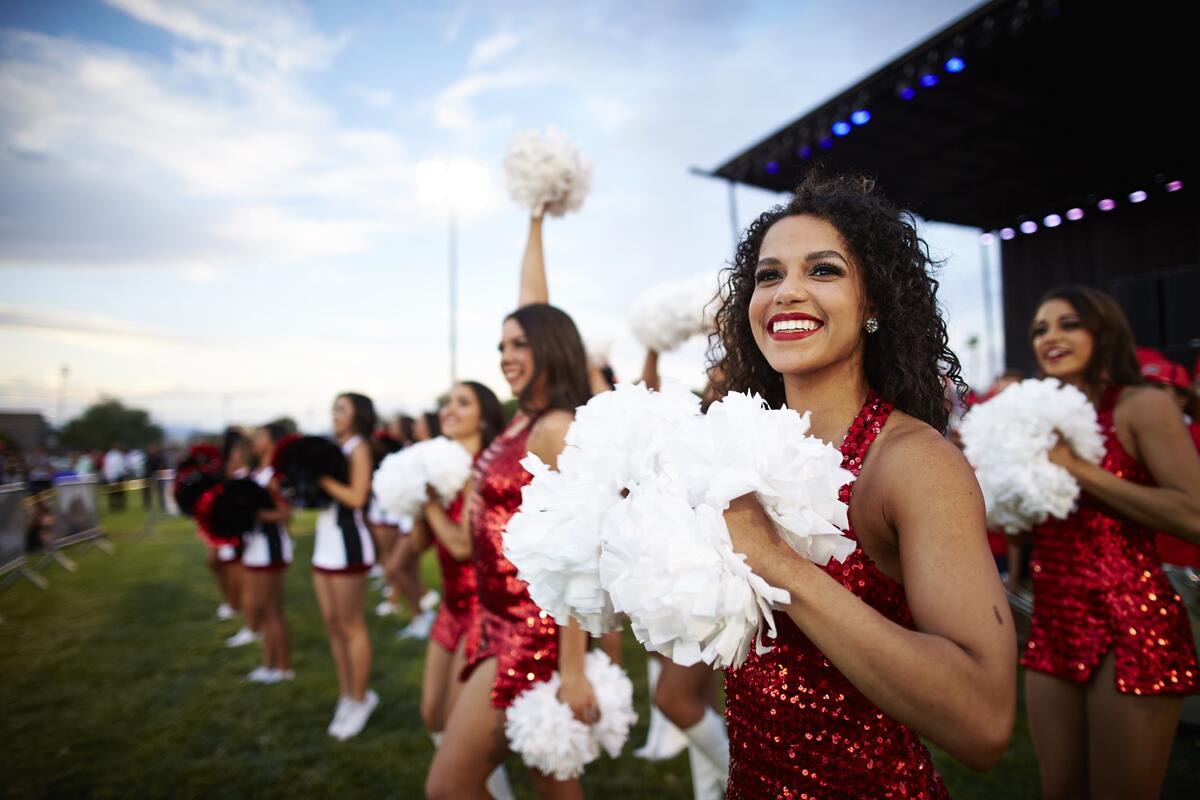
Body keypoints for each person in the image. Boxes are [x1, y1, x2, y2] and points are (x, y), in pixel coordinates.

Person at [713, 173, 1016, 798]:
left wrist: (777, 563)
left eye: (823, 270)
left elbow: (984, 722)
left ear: (874, 302)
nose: (787, 292)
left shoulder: (914, 463)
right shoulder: (735, 449)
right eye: (769, 275)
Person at [426, 212, 596, 799]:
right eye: (501, 345)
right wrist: (534, 221)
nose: (505, 355)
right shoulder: (525, 415)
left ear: (551, 347)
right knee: (551, 784)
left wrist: (571, 667)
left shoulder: (557, 427)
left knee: (449, 787)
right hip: (493, 618)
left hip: (531, 630)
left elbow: (581, 551)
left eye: (520, 344)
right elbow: (532, 302)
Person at [1018, 286, 1200, 799]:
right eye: (1040, 329)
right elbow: (1029, 526)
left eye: (1068, 323)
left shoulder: (1143, 405)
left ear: (1105, 331)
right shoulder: (1039, 418)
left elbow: (1194, 515)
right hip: (1053, 618)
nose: (1050, 336)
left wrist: (1079, 469)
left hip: (1131, 620)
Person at [418, 381, 513, 799]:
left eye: (462, 402)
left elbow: (460, 544)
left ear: (484, 417)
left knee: (460, 721)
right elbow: (420, 543)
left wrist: (426, 503)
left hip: (480, 610)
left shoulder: (482, 472)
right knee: (432, 716)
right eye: (447, 403)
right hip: (450, 606)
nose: (449, 410)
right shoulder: (445, 475)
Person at [313, 392, 380, 739]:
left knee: (351, 625)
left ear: (358, 415)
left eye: (341, 409)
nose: (334, 414)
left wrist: (321, 478)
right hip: (323, 544)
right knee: (333, 625)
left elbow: (357, 497)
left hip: (347, 546)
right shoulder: (335, 447)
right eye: (333, 408)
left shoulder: (358, 447)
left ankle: (361, 697)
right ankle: (347, 694)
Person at [242, 423, 294, 683]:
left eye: (261, 436)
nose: (255, 440)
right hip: (254, 546)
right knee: (261, 608)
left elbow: (286, 513)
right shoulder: (256, 470)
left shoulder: (276, 474)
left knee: (272, 610)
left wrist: (256, 514)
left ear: (274, 441)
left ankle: (283, 668)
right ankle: (269, 664)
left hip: (270, 547)